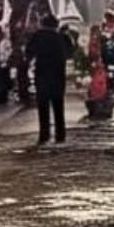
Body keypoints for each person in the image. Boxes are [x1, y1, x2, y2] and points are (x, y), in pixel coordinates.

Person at [25, 14, 72, 146]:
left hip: (42, 73)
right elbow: (70, 52)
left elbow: (29, 51)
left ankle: (44, 135)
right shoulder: (61, 37)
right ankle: (60, 135)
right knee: (58, 106)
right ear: (55, 25)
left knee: (43, 106)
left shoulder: (38, 36)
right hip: (58, 74)